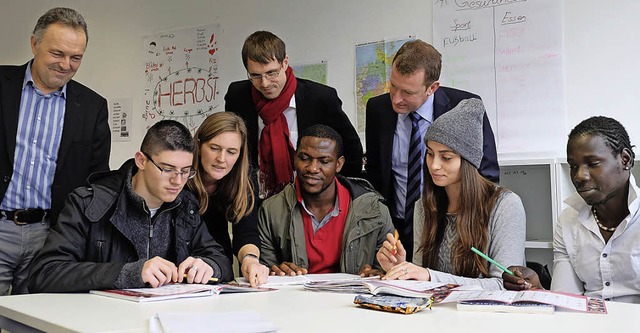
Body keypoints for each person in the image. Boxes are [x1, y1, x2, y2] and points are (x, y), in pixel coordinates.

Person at [28, 120, 232, 293]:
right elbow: (45, 273)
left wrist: (209, 266)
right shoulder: (88, 203)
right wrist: (128, 273)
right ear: (141, 161)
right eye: (168, 169)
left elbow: (220, 260)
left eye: (186, 171)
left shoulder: (185, 205)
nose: (178, 181)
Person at [0, 7, 110, 295]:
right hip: (0, 224)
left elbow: (96, 182)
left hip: (51, 237)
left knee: (35, 321)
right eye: (57, 53)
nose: (66, 65)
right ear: (35, 44)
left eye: (76, 58)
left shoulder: (92, 107)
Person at [365, 39, 499, 262]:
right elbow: (376, 174)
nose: (396, 99)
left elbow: (487, 173)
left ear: (432, 88)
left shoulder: (464, 106)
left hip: (447, 228)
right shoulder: (377, 109)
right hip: (397, 228)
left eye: (407, 92)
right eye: (393, 86)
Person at [376, 99, 525, 290]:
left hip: (487, 316)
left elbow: (503, 285)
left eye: (446, 157)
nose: (434, 165)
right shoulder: (424, 206)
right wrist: (402, 270)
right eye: (429, 154)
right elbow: (423, 280)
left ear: (468, 161)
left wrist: (429, 276)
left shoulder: (505, 205)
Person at [504, 116, 640, 303]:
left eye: (592, 164)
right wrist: (536, 289)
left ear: (625, 159)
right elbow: (566, 300)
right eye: (573, 166)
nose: (579, 176)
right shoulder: (568, 220)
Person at [225, 31, 363, 199]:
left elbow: (352, 150)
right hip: (257, 199)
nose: (265, 83)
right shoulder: (238, 96)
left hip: (311, 199)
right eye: (255, 76)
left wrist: (335, 195)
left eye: (271, 73)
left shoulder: (320, 98)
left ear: (285, 63)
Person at [258, 124, 394, 276]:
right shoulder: (271, 210)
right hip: (295, 298)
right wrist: (274, 272)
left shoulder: (374, 210)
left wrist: (378, 274)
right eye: (304, 158)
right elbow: (263, 271)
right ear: (294, 158)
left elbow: (388, 269)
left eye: (324, 161)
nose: (313, 168)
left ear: (339, 164)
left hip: (352, 298)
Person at [188, 112, 269, 287]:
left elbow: (246, 231)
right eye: (215, 148)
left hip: (217, 268)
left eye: (231, 152)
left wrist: (250, 260)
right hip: (178, 268)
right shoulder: (181, 175)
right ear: (199, 145)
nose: (221, 159)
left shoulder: (244, 179)